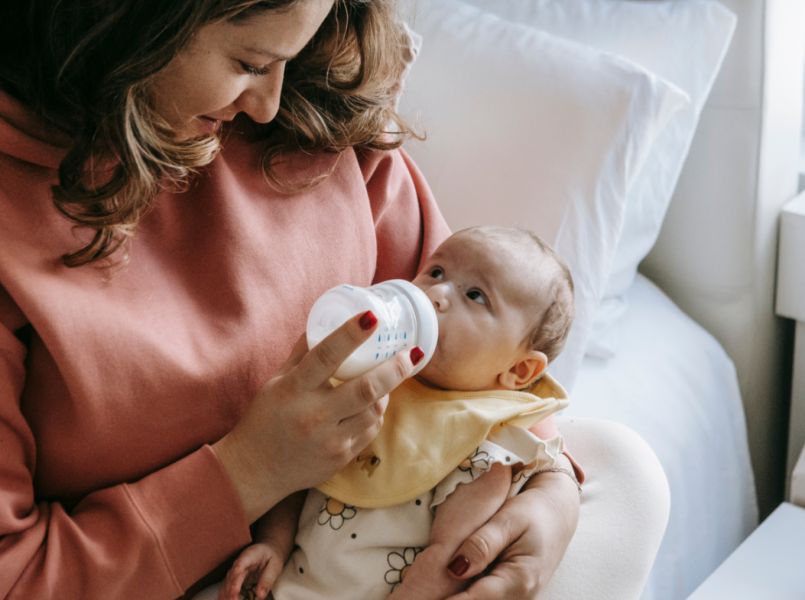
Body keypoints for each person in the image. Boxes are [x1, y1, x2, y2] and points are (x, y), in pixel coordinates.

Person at [0, 1, 582, 598]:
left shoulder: (320, 112)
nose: (269, 104)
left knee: (633, 472)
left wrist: (554, 491)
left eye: (291, 56)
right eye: (251, 62)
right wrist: (250, 472)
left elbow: (496, 350)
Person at [215, 225, 578, 600]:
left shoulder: (481, 446)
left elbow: (447, 561)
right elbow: (296, 472)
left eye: (475, 295)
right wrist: (274, 543)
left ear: (518, 371)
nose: (437, 294)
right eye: (436, 272)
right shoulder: (368, 380)